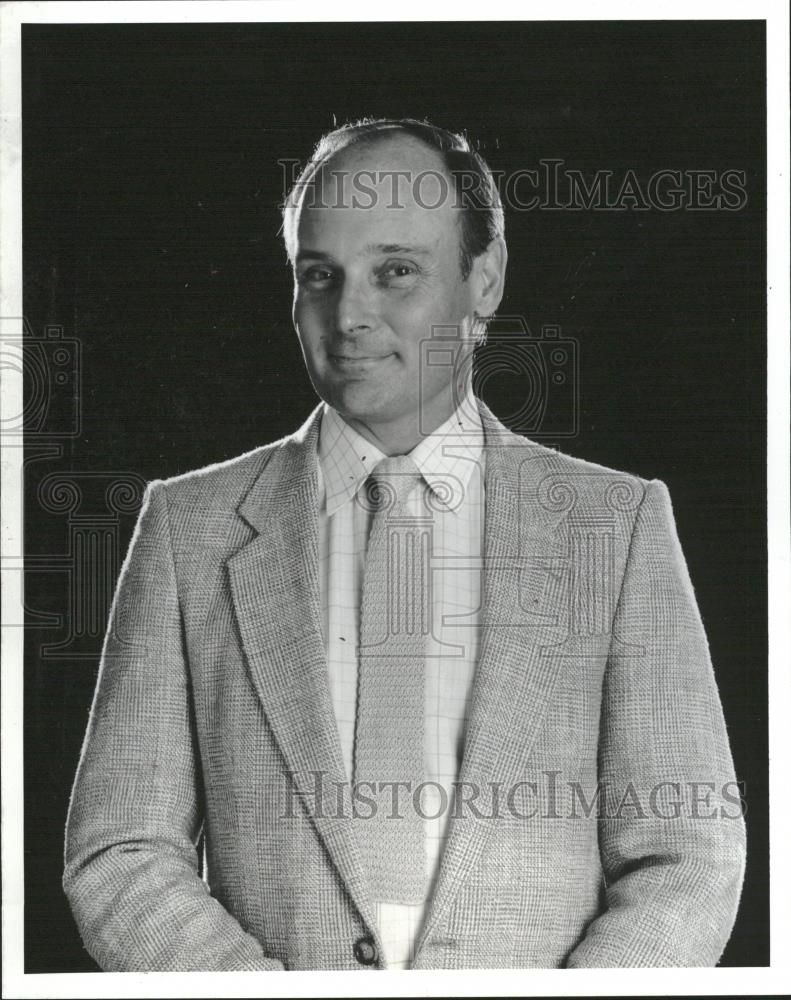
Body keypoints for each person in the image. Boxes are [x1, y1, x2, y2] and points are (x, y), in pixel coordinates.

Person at [63, 118, 746, 971]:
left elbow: (689, 857)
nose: (349, 315)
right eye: (320, 275)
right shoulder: (187, 530)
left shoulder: (614, 525)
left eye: (395, 272)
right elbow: (120, 850)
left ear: (484, 278)